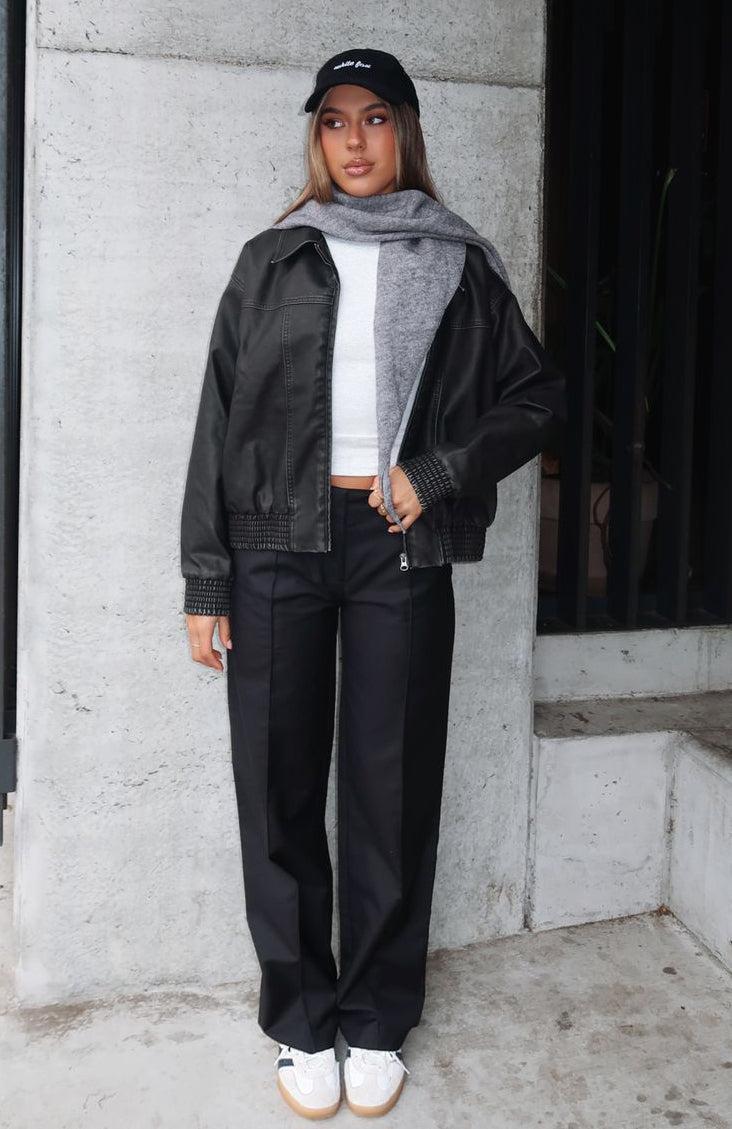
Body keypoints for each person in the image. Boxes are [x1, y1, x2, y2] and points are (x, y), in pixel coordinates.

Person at [180, 47, 566, 1120]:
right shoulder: (273, 258)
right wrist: (206, 580)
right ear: (317, 136)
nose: (355, 140)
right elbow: (219, 420)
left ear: (406, 131)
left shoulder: (456, 261)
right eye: (336, 120)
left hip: (400, 545)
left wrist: (435, 473)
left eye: (377, 117)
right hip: (275, 544)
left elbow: (537, 398)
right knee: (277, 785)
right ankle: (302, 1017)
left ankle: (377, 1016)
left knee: (392, 790)